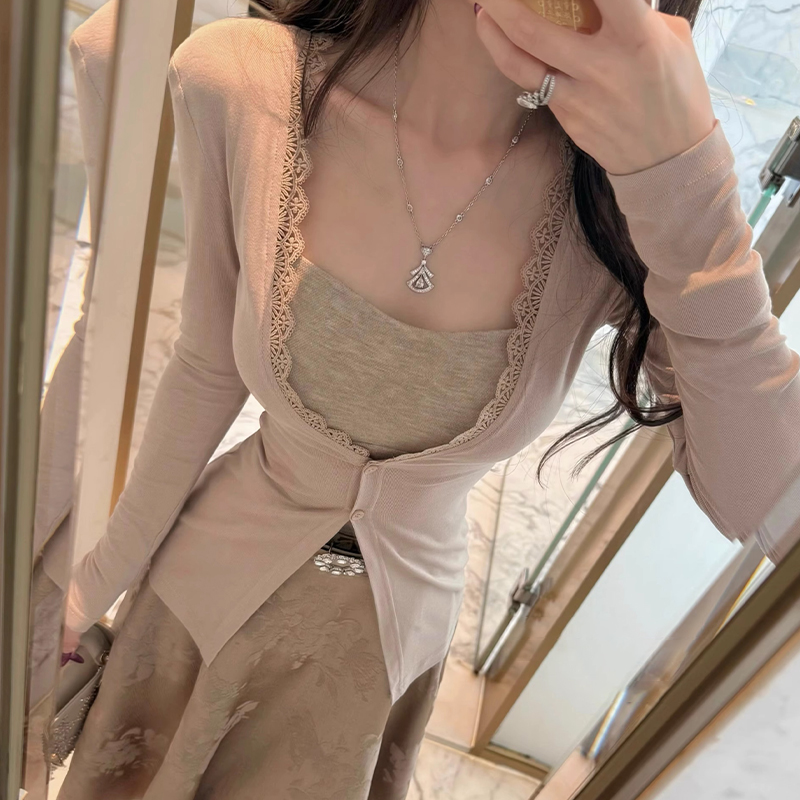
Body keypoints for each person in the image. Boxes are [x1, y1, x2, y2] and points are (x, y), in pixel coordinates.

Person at [57, 0, 800, 797]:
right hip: (193, 606)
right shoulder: (243, 81)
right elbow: (206, 368)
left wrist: (681, 172)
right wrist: (88, 589)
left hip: (379, 661)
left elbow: (771, 500)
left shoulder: (626, 210)